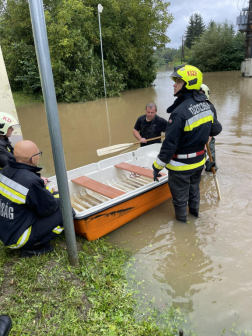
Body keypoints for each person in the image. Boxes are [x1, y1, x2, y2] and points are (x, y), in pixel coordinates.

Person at [152, 64, 222, 222]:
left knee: (179, 200)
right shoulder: (207, 106)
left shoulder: (179, 113)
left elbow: (169, 145)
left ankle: (182, 231)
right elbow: (216, 130)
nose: (174, 84)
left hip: (180, 167)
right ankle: (195, 220)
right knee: (194, 193)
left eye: (178, 81)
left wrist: (157, 167)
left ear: (188, 84)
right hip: (198, 164)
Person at [0, 140, 66, 257]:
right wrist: (57, 197)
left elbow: (25, 194)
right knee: (65, 209)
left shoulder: (4, 171)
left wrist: (47, 191)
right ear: (32, 159)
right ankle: (35, 246)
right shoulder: (30, 181)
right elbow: (49, 209)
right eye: (38, 154)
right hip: (18, 238)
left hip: (5, 231)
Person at [200, 84, 218, 172]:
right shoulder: (193, 107)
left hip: (208, 137)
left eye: (201, 93)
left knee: (211, 166)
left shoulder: (210, 108)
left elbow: (213, 129)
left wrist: (205, 144)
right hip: (197, 138)